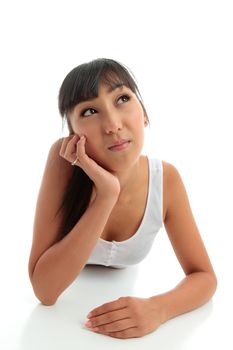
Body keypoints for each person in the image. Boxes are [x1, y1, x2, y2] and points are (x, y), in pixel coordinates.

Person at [28, 58, 217, 339]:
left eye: (122, 98)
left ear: (144, 114)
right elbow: (45, 291)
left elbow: (205, 277)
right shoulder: (64, 165)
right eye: (89, 111)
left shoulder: (166, 180)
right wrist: (106, 195)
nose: (113, 125)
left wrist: (158, 308)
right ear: (73, 136)